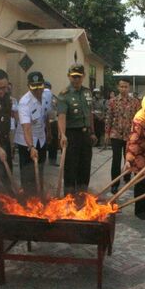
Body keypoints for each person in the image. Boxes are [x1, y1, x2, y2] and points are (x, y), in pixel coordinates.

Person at [58, 63, 97, 195]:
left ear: (83, 76)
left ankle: (82, 195)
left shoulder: (87, 92)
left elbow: (89, 113)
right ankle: (69, 197)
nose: (76, 79)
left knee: (85, 166)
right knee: (71, 167)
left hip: (85, 135)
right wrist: (62, 135)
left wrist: (92, 132)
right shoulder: (64, 95)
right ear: (69, 76)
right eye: (74, 77)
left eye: (79, 77)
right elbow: (61, 117)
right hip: (71, 135)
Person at [14, 71, 51, 197]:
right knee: (27, 172)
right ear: (28, 86)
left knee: (40, 168)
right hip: (26, 142)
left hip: (41, 138)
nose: (37, 90)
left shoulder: (47, 95)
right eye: (33, 87)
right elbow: (27, 127)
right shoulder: (24, 102)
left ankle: (39, 195)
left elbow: (46, 116)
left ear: (43, 85)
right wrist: (31, 147)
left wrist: (49, 133)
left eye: (39, 86)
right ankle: (29, 199)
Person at [105, 79, 140, 194]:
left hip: (130, 136)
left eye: (126, 87)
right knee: (116, 160)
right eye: (121, 86)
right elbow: (108, 117)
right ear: (118, 87)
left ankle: (127, 177)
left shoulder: (135, 102)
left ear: (129, 87)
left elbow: (138, 119)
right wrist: (107, 133)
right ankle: (114, 184)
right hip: (116, 135)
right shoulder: (112, 101)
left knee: (129, 158)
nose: (123, 89)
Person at [45, 81, 59, 166]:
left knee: (53, 142)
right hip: (49, 121)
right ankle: (51, 160)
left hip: (50, 121)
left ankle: (52, 160)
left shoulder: (52, 97)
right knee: (52, 142)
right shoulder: (53, 97)